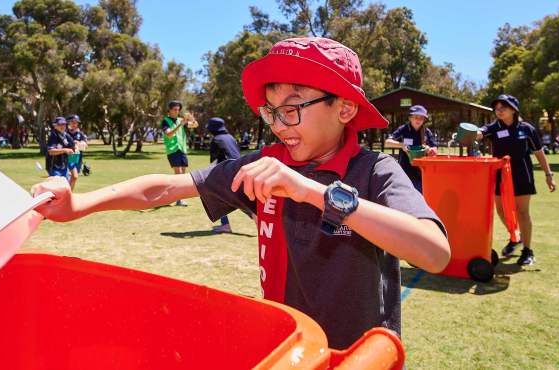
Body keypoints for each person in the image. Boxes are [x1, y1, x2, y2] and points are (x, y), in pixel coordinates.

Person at [30, 37, 450, 349]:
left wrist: (315, 193)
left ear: (344, 109)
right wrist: (79, 203)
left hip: (357, 358)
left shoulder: (375, 170)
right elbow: (166, 186)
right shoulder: (262, 164)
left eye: (293, 107)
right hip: (290, 348)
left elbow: (434, 251)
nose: (279, 124)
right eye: (272, 111)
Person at [476, 94, 557, 266]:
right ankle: (515, 236)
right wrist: (473, 133)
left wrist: (548, 175)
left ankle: (527, 250)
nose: (499, 111)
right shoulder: (494, 127)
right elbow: (481, 133)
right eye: (496, 108)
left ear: (513, 109)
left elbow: (539, 153)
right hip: (499, 175)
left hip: (522, 175)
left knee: (522, 212)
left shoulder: (527, 129)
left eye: (503, 107)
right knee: (501, 211)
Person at [383, 105, 438, 192]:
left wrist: (429, 149)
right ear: (410, 118)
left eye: (421, 118)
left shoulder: (426, 131)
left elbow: (435, 150)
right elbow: (387, 142)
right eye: (416, 117)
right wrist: (402, 145)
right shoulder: (403, 129)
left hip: (422, 172)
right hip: (405, 172)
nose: (418, 120)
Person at [207, 117, 242, 233]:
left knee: (218, 196)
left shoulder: (216, 139)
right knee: (241, 199)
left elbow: (213, 161)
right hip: (240, 169)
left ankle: (225, 225)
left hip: (227, 171)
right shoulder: (231, 138)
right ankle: (255, 217)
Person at [161, 100, 190, 206]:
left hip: (182, 149)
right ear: (169, 110)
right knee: (178, 174)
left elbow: (195, 125)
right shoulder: (165, 121)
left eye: (178, 110)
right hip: (173, 150)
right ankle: (179, 199)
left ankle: (177, 197)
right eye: (175, 109)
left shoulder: (180, 120)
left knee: (183, 175)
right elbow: (168, 134)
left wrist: (192, 120)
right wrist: (180, 125)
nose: (177, 111)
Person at [66, 114, 89, 189]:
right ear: (68, 123)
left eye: (76, 122)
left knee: (74, 178)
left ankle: (69, 194)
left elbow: (86, 145)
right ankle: (67, 194)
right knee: (69, 176)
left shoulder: (80, 134)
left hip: (78, 157)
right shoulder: (65, 133)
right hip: (68, 157)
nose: (74, 124)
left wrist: (79, 144)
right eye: (72, 122)